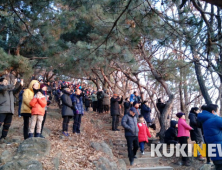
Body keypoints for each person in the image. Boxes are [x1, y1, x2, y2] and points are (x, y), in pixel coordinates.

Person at [197, 104, 222, 169]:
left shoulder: (206, 121)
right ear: (213, 111)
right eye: (218, 111)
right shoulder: (216, 120)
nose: (218, 112)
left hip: (214, 152)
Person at [0, 75, 23, 141]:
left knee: (7, 125)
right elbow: (4, 88)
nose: (6, 82)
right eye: (4, 81)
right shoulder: (1, 88)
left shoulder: (10, 90)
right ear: (1, 82)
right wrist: (13, 84)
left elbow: (16, 91)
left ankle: (3, 137)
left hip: (10, 110)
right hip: (2, 110)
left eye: (7, 81)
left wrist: (20, 85)